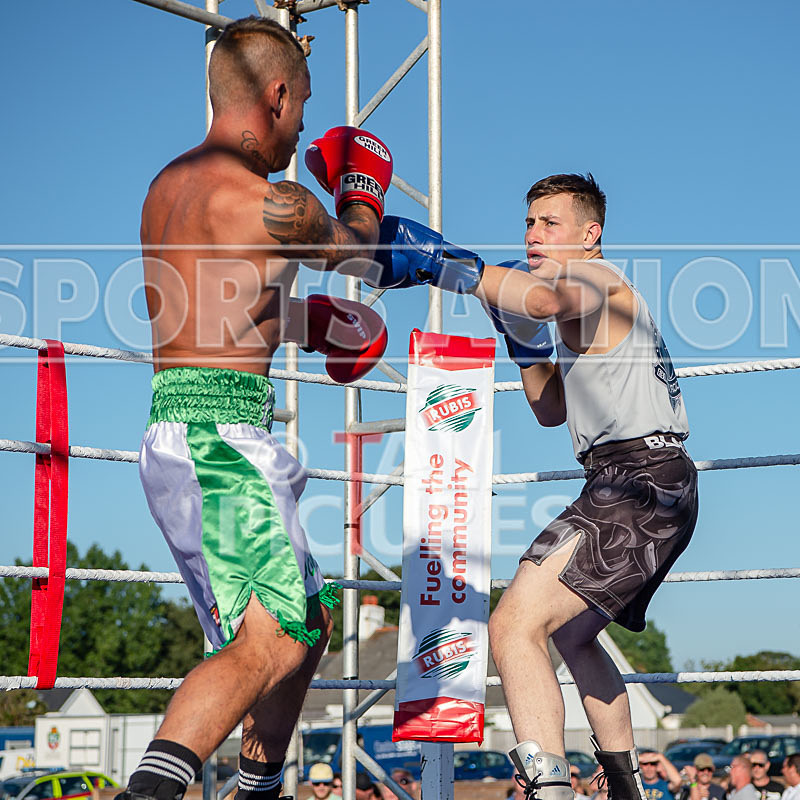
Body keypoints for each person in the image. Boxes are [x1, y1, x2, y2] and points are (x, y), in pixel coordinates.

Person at [114, 16, 393, 800]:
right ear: (275, 95)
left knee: (308, 621)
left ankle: (257, 788)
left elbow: (213, 311)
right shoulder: (272, 202)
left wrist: (317, 323)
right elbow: (361, 252)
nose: (302, 128)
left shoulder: (165, 189)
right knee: (272, 638)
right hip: (221, 441)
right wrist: (362, 187)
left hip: (182, 424)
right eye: (301, 107)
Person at [363, 173, 698, 800]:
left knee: (513, 626)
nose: (534, 234)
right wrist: (523, 346)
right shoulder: (580, 301)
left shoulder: (598, 279)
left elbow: (540, 301)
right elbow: (550, 408)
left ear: (590, 234)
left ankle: (550, 791)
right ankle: (626, 786)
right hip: (636, 481)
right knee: (570, 634)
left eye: (550, 223)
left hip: (640, 480)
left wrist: (445, 265)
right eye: (528, 222)